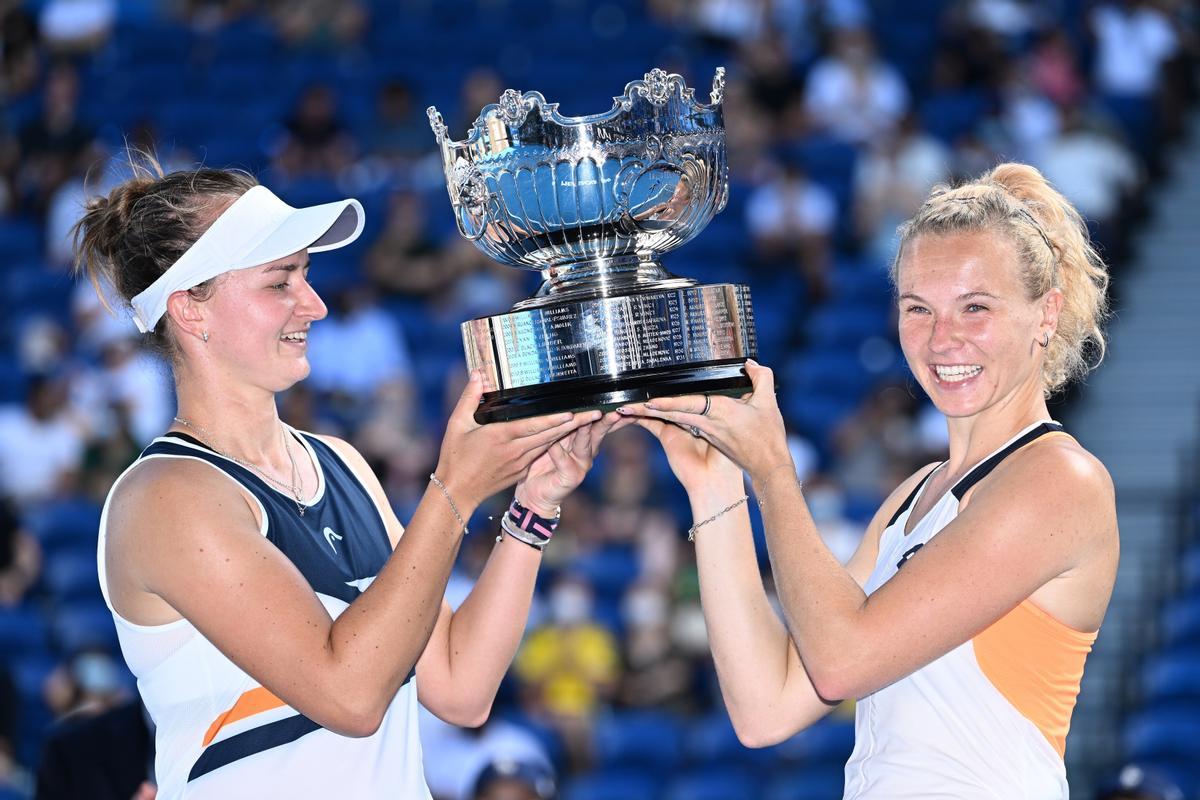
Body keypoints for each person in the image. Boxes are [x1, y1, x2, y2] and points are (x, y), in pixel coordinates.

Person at [73, 157, 623, 799]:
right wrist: (455, 491)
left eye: (306, 276)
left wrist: (533, 505)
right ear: (191, 311)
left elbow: (459, 686)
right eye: (280, 282)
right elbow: (350, 695)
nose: (316, 303)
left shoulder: (340, 462)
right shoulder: (166, 497)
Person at [620, 162, 1116, 798]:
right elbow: (766, 707)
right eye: (919, 308)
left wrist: (773, 470)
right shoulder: (913, 497)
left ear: (1044, 315)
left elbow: (840, 663)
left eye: (976, 306)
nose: (944, 338)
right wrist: (715, 486)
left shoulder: (1059, 479)